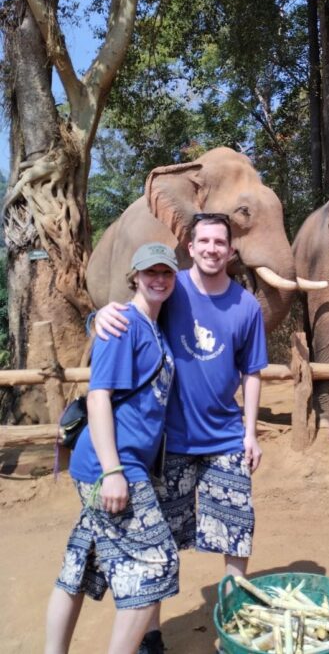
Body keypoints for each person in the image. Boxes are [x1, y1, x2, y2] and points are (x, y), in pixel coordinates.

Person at [94, 212, 268, 654]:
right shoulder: (171, 288)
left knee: (236, 532)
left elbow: (252, 372)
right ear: (190, 247)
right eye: (203, 241)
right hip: (168, 443)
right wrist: (97, 317)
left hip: (226, 438)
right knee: (161, 541)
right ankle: (151, 633)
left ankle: (236, 621)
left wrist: (250, 431)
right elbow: (129, 316)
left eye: (219, 243)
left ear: (231, 250)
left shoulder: (246, 305)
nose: (211, 249)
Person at [45, 243, 179, 654]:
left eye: (166, 273)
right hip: (112, 465)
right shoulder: (124, 323)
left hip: (117, 463)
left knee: (81, 566)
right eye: (149, 271)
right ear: (134, 276)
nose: (158, 279)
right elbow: (99, 396)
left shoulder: (149, 323)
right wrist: (113, 471)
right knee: (157, 566)